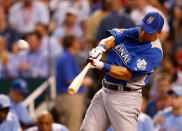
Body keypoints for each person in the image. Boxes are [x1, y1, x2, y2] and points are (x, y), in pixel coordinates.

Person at [80, 11, 164, 131]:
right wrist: (100, 48)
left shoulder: (154, 52)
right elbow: (113, 39)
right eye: (142, 28)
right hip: (105, 91)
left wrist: (102, 65)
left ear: (158, 33)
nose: (143, 33)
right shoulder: (136, 32)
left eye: (148, 32)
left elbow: (127, 74)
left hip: (125, 98)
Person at [55, 35, 92, 131]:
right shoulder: (67, 57)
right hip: (70, 98)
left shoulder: (66, 56)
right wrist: (86, 81)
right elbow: (70, 80)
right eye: (77, 41)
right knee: (73, 128)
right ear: (72, 44)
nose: (79, 43)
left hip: (66, 97)